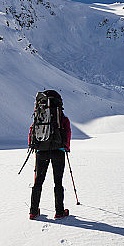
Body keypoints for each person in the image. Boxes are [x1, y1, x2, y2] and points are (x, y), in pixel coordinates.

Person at [28, 90, 72, 220]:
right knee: (58, 181)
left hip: (41, 151)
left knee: (38, 182)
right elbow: (67, 132)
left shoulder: (41, 115)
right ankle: (59, 212)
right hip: (59, 151)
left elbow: (32, 130)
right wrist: (66, 147)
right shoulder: (62, 117)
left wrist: (33, 146)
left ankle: (33, 211)